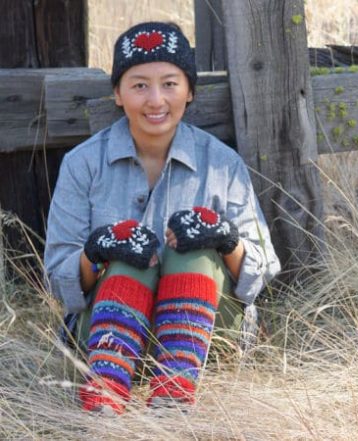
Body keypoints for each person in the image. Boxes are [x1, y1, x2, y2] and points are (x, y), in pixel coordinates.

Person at [43, 21, 280, 415]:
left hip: (204, 338)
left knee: (194, 252)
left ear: (189, 91)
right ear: (118, 93)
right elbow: (57, 279)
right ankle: (105, 396)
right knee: (127, 255)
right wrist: (95, 252)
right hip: (106, 338)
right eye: (139, 85)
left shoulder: (223, 164)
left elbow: (263, 270)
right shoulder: (82, 164)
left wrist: (226, 241)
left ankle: (173, 395)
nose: (156, 100)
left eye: (170, 84)